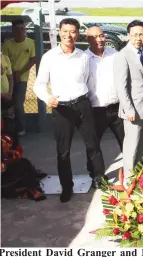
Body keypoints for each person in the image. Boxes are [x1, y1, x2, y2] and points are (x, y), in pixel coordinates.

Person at [33, 18, 106, 203]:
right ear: (59, 32)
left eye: (72, 31)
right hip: (62, 108)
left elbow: (88, 80)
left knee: (93, 145)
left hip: (82, 104)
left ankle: (99, 179)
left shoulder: (83, 56)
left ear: (77, 34)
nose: (68, 35)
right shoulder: (50, 57)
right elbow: (39, 84)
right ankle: (67, 186)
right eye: (65, 31)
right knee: (63, 151)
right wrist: (47, 98)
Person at [85, 26, 124, 181]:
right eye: (95, 37)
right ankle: (97, 176)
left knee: (126, 142)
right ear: (88, 40)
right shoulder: (84, 58)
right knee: (93, 145)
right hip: (95, 110)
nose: (100, 39)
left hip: (117, 108)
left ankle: (131, 172)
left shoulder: (114, 55)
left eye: (101, 35)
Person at [115, 20, 143, 178]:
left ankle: (139, 172)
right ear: (128, 35)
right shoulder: (123, 55)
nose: (138, 38)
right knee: (131, 145)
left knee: (141, 144)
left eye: (141, 34)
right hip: (133, 109)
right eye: (135, 35)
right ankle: (129, 178)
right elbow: (121, 86)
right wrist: (129, 109)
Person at [2, 20, 36, 136]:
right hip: (8, 78)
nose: (21, 31)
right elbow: (4, 61)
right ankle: (7, 128)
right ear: (13, 31)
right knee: (7, 103)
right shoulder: (8, 44)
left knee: (18, 103)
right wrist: (11, 74)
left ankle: (20, 128)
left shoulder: (31, 43)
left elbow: (32, 59)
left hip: (22, 78)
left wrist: (20, 73)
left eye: (23, 29)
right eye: (18, 29)